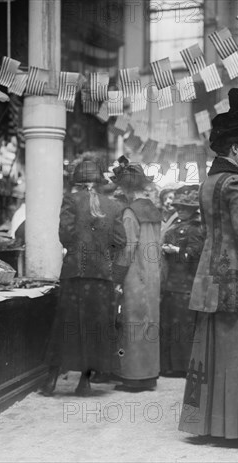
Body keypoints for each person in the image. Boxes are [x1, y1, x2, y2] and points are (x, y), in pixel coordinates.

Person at [178, 88, 238, 440]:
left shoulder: (210, 182)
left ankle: (205, 425)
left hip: (211, 277)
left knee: (211, 354)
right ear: (234, 148)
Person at [40, 155, 127, 396]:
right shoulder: (114, 206)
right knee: (96, 327)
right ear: (99, 183)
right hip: (100, 278)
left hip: (75, 274)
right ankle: (85, 383)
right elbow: (121, 241)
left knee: (64, 325)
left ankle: (50, 381)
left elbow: (65, 236)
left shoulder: (70, 200)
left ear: (77, 182)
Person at [111, 161, 163, 391]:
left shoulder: (130, 212)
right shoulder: (153, 209)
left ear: (126, 187)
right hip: (153, 274)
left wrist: (116, 276)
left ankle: (133, 377)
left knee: (132, 324)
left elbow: (128, 248)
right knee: (150, 323)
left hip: (135, 273)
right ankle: (150, 374)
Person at [159, 184, 204, 377]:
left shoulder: (196, 229)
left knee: (182, 326)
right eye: (178, 208)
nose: (179, 211)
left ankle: (181, 365)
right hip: (175, 283)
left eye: (183, 208)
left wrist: (175, 250)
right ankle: (173, 364)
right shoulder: (178, 225)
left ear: (192, 210)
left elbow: (195, 254)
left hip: (185, 284)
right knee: (173, 325)